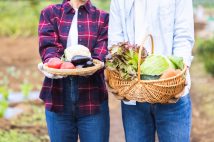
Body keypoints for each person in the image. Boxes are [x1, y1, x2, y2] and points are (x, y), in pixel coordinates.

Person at [108, 0, 194, 142]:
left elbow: (183, 37)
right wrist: (117, 74)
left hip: (172, 94)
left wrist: (176, 76)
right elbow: (115, 41)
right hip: (134, 96)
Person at [38, 0, 109, 142]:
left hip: (92, 97)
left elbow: (101, 52)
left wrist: (90, 65)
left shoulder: (102, 17)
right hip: (58, 96)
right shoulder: (50, 13)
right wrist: (54, 64)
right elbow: (48, 47)